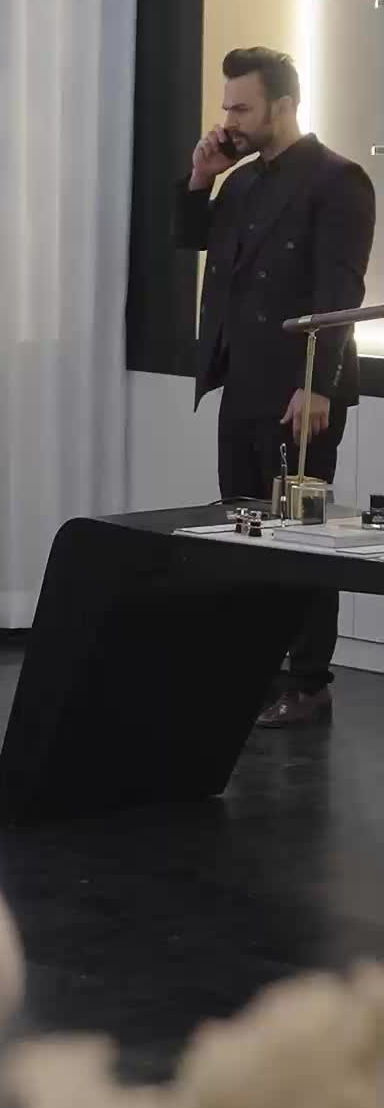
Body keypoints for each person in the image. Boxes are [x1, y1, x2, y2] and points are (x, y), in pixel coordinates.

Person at [176, 46, 376, 728]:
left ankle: (309, 683)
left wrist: (317, 387)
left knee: (302, 538)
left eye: (242, 108)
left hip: (300, 391)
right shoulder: (240, 183)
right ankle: (253, 672)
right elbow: (191, 239)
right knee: (245, 532)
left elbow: (340, 292)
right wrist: (200, 178)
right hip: (242, 382)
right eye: (226, 107)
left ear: (283, 106)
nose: (228, 120)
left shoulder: (338, 180)